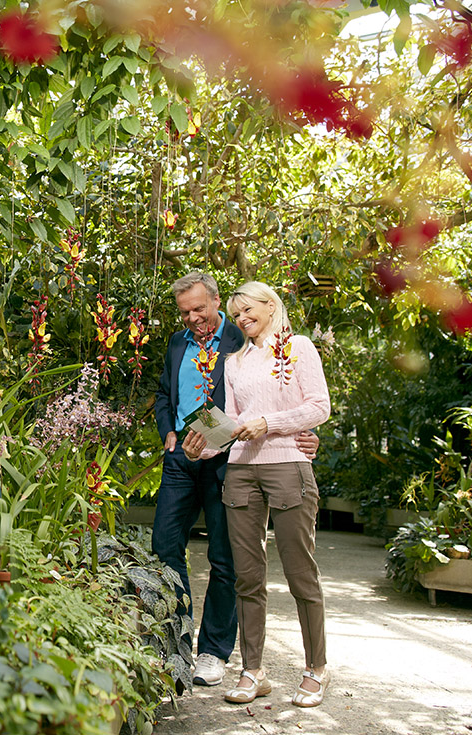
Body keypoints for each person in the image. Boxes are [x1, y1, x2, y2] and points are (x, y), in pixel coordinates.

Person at [153, 273, 318, 688]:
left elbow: (285, 398)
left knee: (226, 559)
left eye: (200, 309)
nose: (194, 318)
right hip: (183, 459)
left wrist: (305, 437)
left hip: (232, 461)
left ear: (216, 301)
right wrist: (169, 432)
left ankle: (213, 651)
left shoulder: (245, 341)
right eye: (185, 312)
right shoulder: (178, 344)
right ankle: (176, 641)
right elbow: (164, 396)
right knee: (163, 547)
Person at [193, 280, 332, 708]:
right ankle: (253, 670)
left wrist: (269, 424)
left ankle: (316, 669)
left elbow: (318, 406)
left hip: (288, 464)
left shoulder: (299, 347)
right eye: (236, 314)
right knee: (247, 576)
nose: (242, 319)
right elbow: (234, 420)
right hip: (241, 471)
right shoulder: (235, 362)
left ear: (271, 306)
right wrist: (200, 438)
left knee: (299, 571)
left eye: (249, 310)